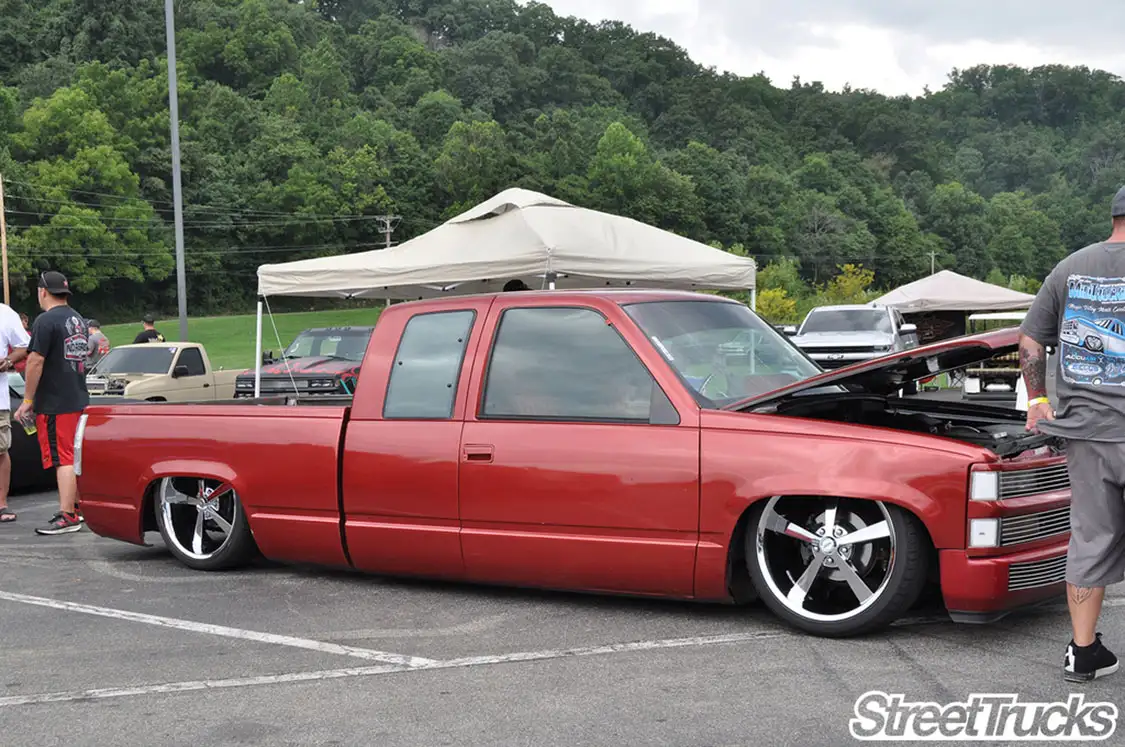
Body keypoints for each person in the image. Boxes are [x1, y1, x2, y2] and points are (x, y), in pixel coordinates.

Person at [1020, 184, 1125, 682]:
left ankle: (1082, 653)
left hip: (1086, 433)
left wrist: (1038, 400)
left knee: (1090, 539)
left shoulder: (1069, 268)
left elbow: (1030, 339)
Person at [10, 271, 90, 535]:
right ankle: (77, 508)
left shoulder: (45, 321)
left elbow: (35, 360)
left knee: (62, 459)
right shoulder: (77, 318)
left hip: (56, 402)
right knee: (73, 456)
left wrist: (28, 399)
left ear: (42, 291)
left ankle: (68, 515)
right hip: (77, 397)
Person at [0, 303, 30, 524]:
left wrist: (8, 361)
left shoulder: (4, 313)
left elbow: (25, 345)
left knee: (1, 450)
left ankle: (1, 504)